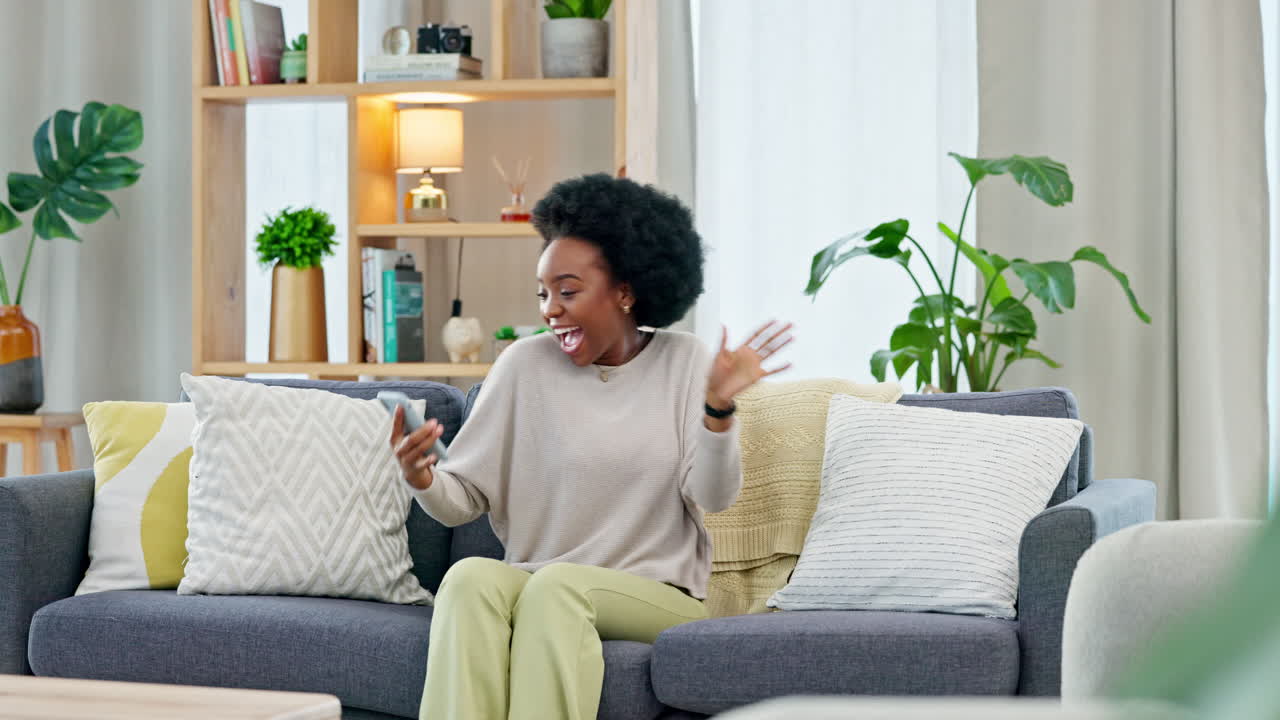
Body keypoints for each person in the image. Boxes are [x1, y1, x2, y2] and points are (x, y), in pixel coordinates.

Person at [390, 173, 793, 720]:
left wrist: (718, 410)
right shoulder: (523, 366)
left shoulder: (686, 362)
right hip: (539, 577)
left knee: (558, 590)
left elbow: (714, 496)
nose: (550, 309)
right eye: (543, 293)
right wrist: (422, 478)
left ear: (624, 292)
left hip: (655, 594)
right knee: (468, 578)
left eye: (569, 291)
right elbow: (463, 498)